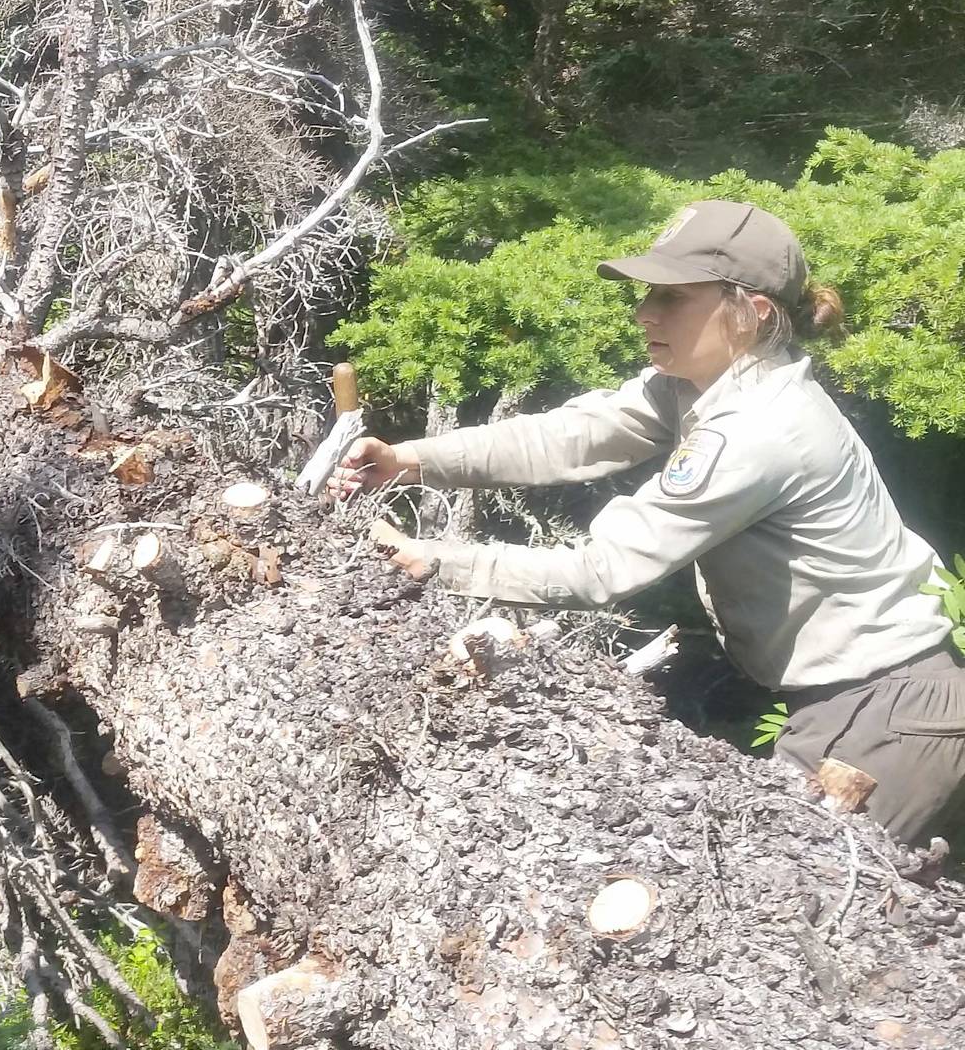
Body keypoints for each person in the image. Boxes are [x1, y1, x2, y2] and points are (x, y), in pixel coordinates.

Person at [332, 200, 964, 849]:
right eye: (647, 293)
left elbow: (602, 570)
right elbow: (570, 436)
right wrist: (409, 459)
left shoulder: (758, 432)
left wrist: (431, 560)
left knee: (792, 910)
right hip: (868, 705)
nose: (644, 312)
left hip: (889, 716)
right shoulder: (708, 383)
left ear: (753, 313)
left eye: (671, 296)